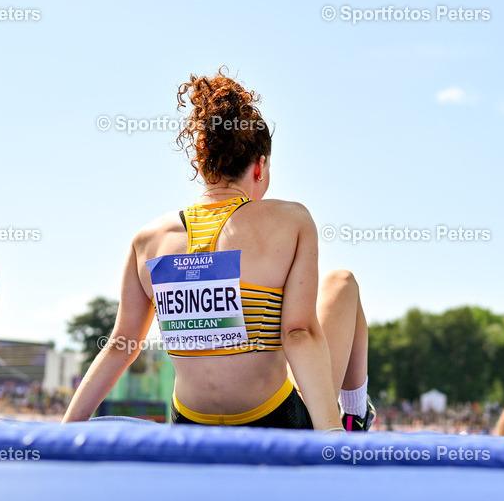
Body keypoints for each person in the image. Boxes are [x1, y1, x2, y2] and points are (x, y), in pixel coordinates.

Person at [62, 70, 374, 431]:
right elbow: (298, 333)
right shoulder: (290, 220)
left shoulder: (149, 240)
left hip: (189, 423)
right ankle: (353, 415)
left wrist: (65, 433)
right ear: (259, 168)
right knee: (342, 282)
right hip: (274, 422)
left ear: (203, 167)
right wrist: (329, 439)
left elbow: (121, 344)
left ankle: (350, 414)